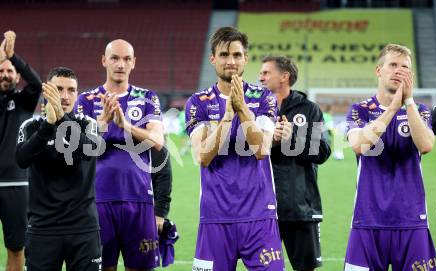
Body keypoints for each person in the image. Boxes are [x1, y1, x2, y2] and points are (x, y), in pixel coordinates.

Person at [185, 26, 284, 271]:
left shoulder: (264, 98)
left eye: (237, 55)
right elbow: (202, 156)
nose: (231, 61)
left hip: (259, 215)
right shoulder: (198, 102)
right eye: (224, 55)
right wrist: (229, 114)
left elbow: (261, 148)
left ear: (245, 59)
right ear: (213, 59)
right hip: (215, 216)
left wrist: (242, 108)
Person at [344, 44, 436, 271]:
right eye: (393, 65)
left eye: (404, 67)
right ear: (379, 70)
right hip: (367, 220)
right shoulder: (360, 110)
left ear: (411, 75)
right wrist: (392, 109)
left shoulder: (420, 110)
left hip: (412, 220)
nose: (398, 71)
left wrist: (407, 103)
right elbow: (359, 145)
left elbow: (426, 145)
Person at [75, 39, 165, 271]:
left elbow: (157, 141)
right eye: (115, 58)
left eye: (126, 59)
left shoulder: (148, 98)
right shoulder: (86, 100)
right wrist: (103, 122)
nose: (120, 64)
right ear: (104, 61)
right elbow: (80, 149)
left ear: (134, 63)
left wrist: (125, 125)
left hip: (139, 200)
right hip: (98, 200)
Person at [16, 67, 102, 270]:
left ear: (77, 94)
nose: (65, 96)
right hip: (42, 229)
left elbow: (88, 151)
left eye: (71, 90)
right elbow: (21, 159)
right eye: (59, 89)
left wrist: (62, 118)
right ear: (47, 92)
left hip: (83, 229)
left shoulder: (88, 124)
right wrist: (48, 126)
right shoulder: (30, 126)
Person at [259, 55, 331, 271]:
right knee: (263, 268)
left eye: (266, 72)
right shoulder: (255, 109)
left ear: (284, 76)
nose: (260, 77)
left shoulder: (309, 109)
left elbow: (323, 151)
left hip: (300, 208)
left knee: (305, 267)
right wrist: (270, 140)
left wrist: (292, 139)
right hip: (262, 207)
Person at [0, 30, 41, 271]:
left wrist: (13, 57)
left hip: (16, 184)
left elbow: (36, 82)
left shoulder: (24, 102)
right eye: (1, 71)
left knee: (16, 248)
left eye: (10, 71)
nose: (5, 75)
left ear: (16, 76)